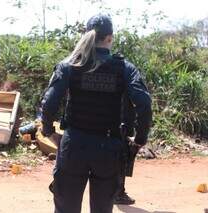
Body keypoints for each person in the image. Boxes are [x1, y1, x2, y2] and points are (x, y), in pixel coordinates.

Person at [40, 13, 152, 213]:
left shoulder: (70, 65)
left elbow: (49, 103)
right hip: (108, 149)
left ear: (86, 35)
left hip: (73, 146)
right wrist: (140, 139)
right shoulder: (125, 68)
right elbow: (144, 102)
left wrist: (49, 132)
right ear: (110, 38)